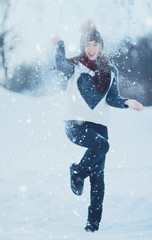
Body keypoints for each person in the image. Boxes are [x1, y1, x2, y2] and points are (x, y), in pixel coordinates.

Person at [52, 20, 144, 232]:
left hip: (100, 125)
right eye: (87, 45)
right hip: (74, 123)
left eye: (94, 44)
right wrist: (60, 44)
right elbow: (60, 65)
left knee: (98, 179)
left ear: (100, 46)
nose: (91, 49)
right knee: (102, 146)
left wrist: (126, 102)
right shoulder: (75, 66)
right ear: (83, 47)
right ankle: (77, 172)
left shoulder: (110, 70)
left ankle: (92, 227)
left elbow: (112, 98)